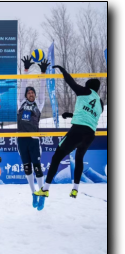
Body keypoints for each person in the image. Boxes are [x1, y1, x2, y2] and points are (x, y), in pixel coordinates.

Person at [34, 65, 104, 210]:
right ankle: (75, 188)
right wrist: (71, 115)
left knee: (56, 157)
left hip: (77, 130)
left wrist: (62, 70)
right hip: (90, 134)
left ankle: (45, 189)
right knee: (79, 159)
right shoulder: (100, 104)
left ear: (89, 86)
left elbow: (70, 82)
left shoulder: (85, 91)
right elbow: (88, 115)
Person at [18, 56, 50, 208]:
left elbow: (42, 88)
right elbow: (23, 83)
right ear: (25, 95)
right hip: (21, 139)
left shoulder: (39, 104)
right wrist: (26, 70)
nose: (31, 94)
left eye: (33, 93)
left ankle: (41, 193)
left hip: (34, 139)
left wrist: (43, 73)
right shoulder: (21, 103)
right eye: (29, 92)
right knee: (27, 168)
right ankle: (33, 193)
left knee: (37, 166)